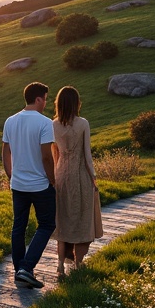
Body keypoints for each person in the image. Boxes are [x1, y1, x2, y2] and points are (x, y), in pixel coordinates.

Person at [1, 81, 56, 289]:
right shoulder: (44, 123)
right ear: (38, 99)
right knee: (47, 224)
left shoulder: (10, 121)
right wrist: (53, 180)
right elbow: (46, 157)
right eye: (45, 99)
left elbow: (5, 150)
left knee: (19, 227)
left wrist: (10, 174)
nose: (46, 103)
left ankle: (20, 271)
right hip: (40, 185)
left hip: (18, 184)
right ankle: (26, 268)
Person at [52, 86, 103, 279]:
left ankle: (60, 265)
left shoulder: (53, 124)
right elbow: (87, 155)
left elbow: (55, 153)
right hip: (80, 174)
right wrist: (94, 178)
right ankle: (78, 264)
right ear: (76, 103)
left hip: (61, 175)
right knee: (83, 219)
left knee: (63, 221)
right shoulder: (83, 123)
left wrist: (54, 177)